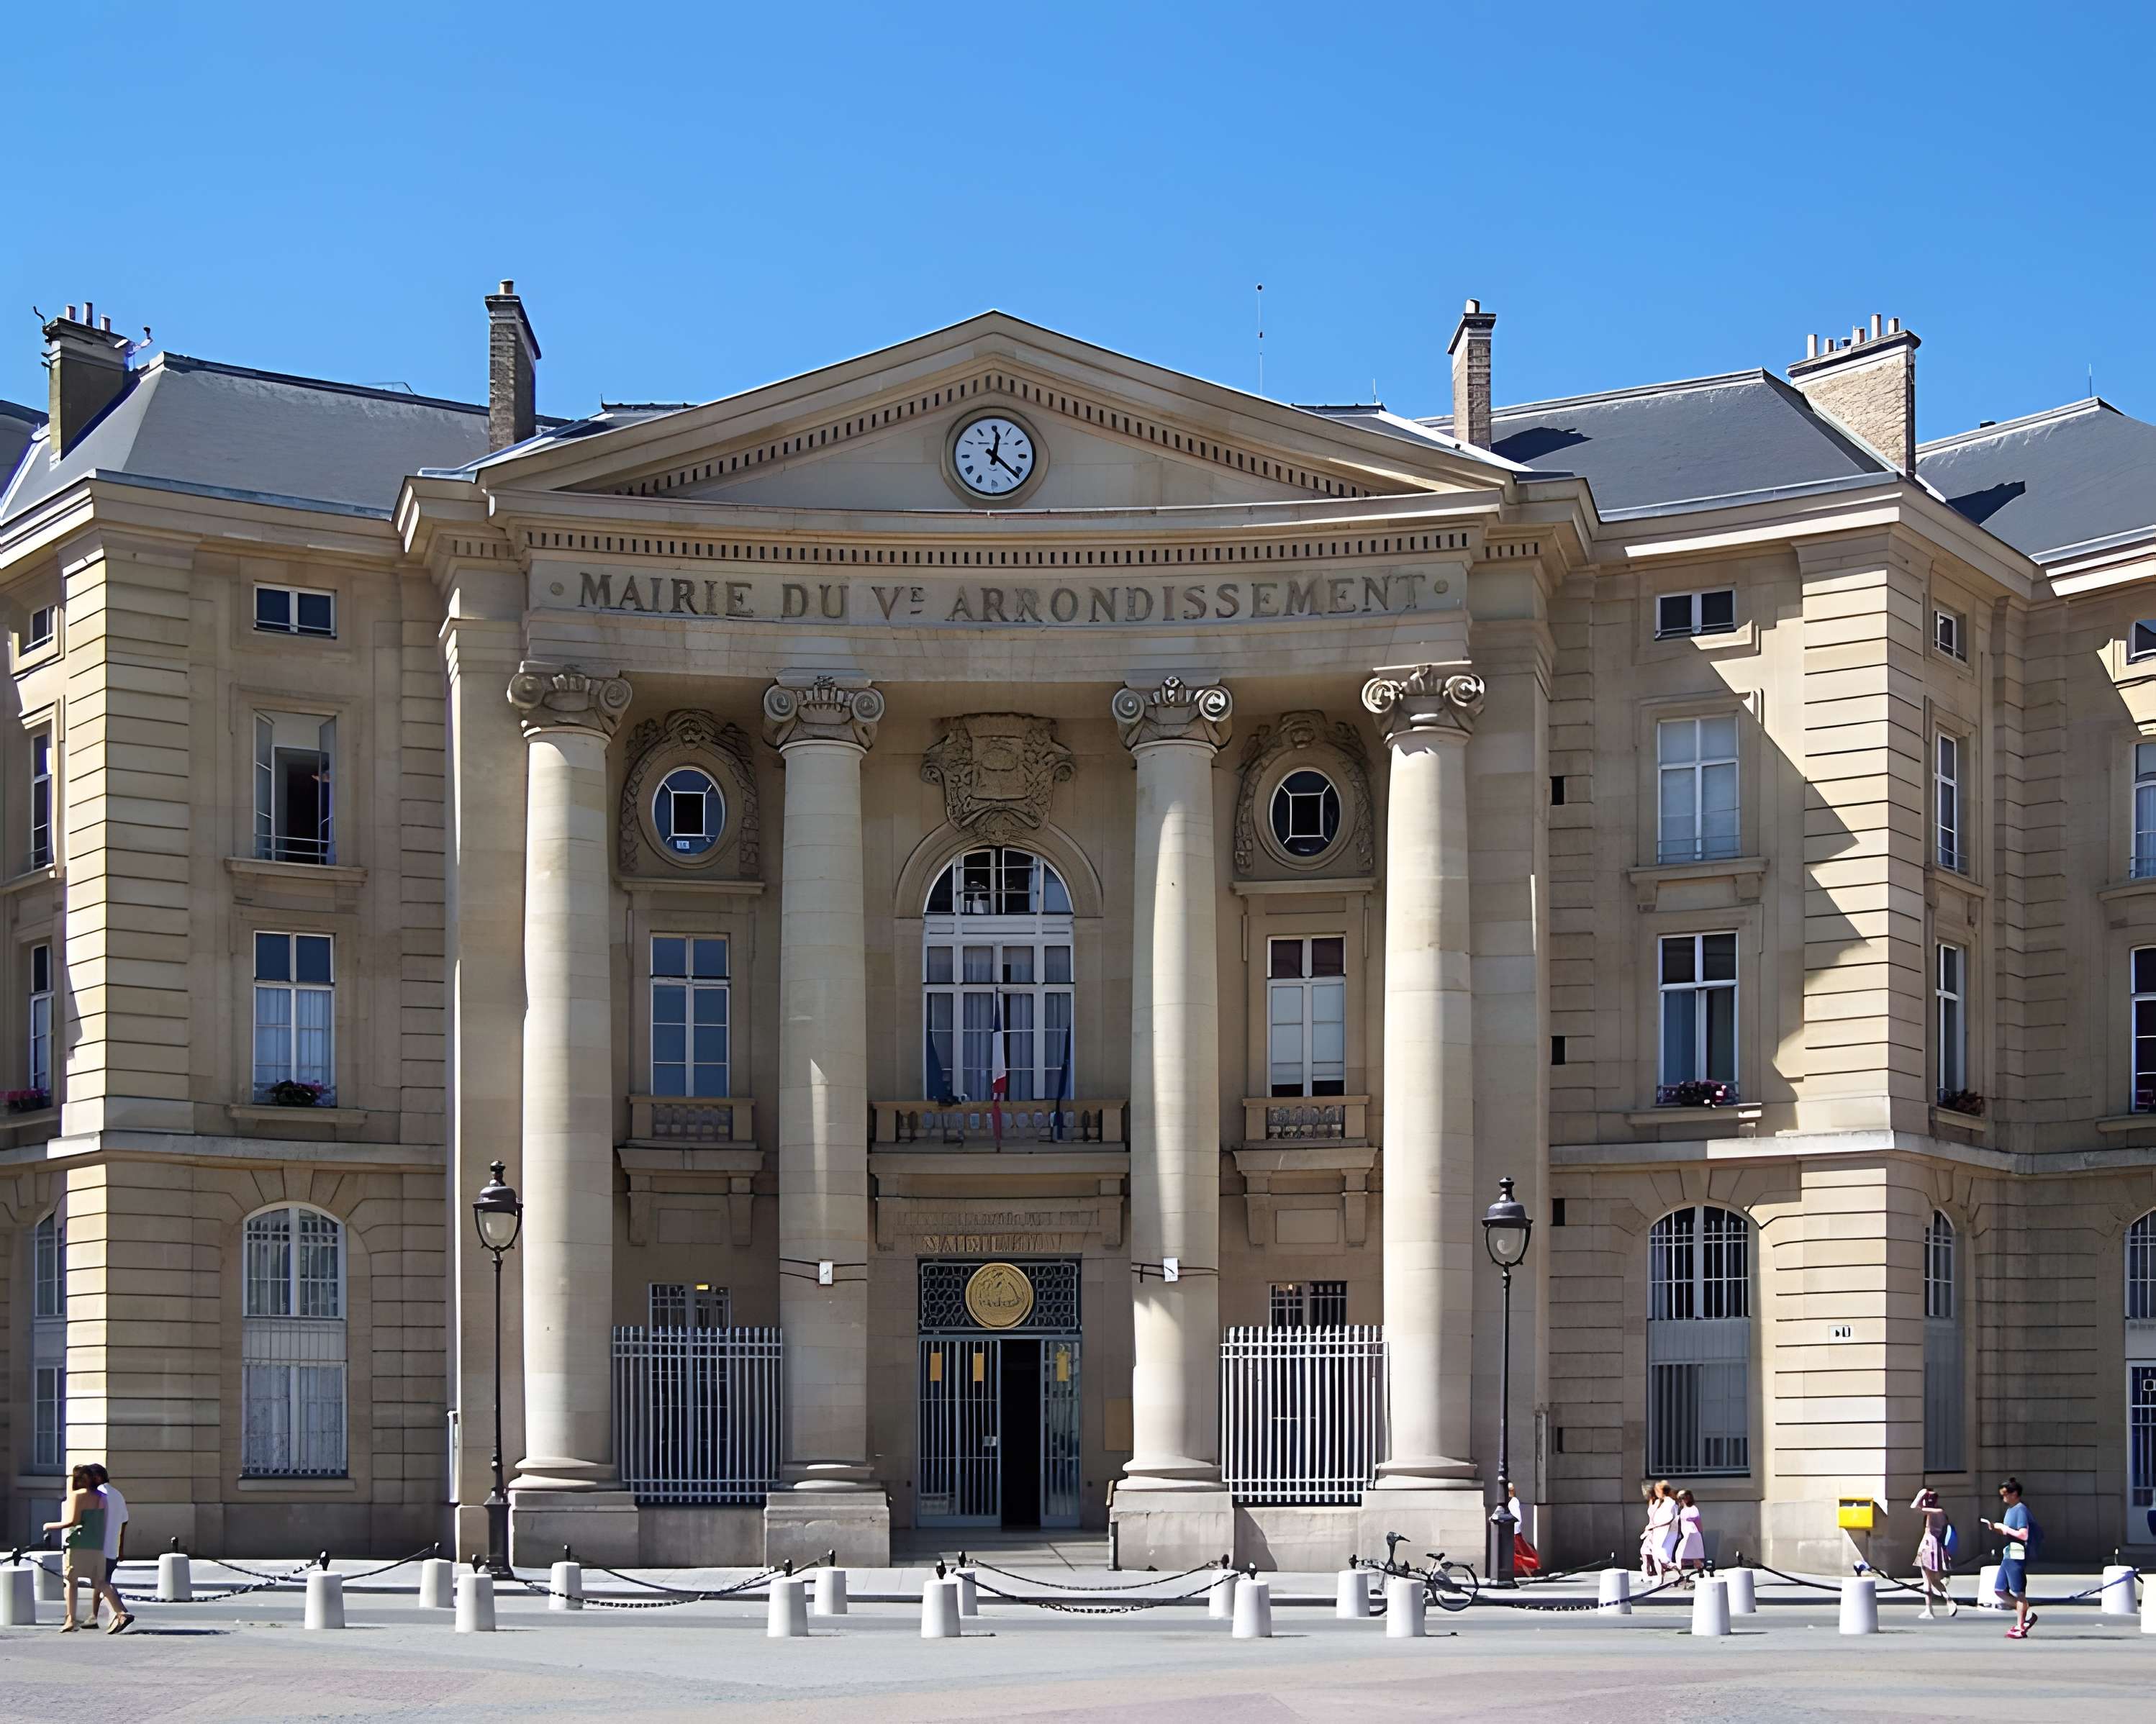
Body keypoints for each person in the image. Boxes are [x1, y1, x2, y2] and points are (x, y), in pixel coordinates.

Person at [42, 1464, 125, 1633]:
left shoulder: (77, 1496)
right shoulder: (102, 1497)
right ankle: (121, 1613)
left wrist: (49, 1526)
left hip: (78, 1544)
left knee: (71, 1582)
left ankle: (70, 1620)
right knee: (101, 1582)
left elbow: (73, 1522)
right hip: (98, 1546)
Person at [1980, 1478, 2036, 1638]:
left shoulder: (2020, 1510)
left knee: (2019, 1592)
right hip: (2008, 1554)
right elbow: (2009, 1532)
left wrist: (2004, 1528)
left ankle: (2021, 1626)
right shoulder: (2011, 1510)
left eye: (2005, 1494)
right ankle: (2027, 1614)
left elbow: (2023, 1534)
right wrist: (1996, 1528)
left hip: (2017, 1555)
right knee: (1999, 1589)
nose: (2003, 1497)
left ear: (2015, 1494)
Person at [87, 1464, 135, 1634]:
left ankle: (120, 1613)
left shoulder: (96, 1495)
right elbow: (125, 1521)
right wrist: (121, 1548)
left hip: (98, 1548)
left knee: (102, 1583)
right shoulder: (117, 1495)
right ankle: (94, 1616)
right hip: (112, 1548)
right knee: (100, 1582)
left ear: (97, 1478)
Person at [1911, 1487, 1957, 1619]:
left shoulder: (1933, 1512)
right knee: (1934, 1580)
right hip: (1936, 1545)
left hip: (1928, 1546)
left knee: (1927, 1580)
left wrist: (1920, 1495)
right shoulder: (1941, 1512)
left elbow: (1914, 1507)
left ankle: (1929, 1609)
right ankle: (1948, 1599)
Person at [1502, 1479, 1541, 1576]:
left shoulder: (1513, 1501)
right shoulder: (1509, 1502)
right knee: (1517, 1555)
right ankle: (1525, 1572)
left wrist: (1514, 1531)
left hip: (1514, 1534)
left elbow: (1517, 1519)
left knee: (1518, 1555)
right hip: (1513, 1533)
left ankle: (1527, 1571)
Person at [1673, 1488, 1706, 1583]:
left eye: (1682, 1498)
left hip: (1692, 1534)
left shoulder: (1693, 1509)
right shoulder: (1683, 1510)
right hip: (1687, 1535)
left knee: (1686, 1555)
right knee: (1682, 1555)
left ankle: (1698, 1571)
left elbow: (1697, 1521)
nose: (1681, 1501)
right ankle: (1684, 1574)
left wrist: (1700, 1533)